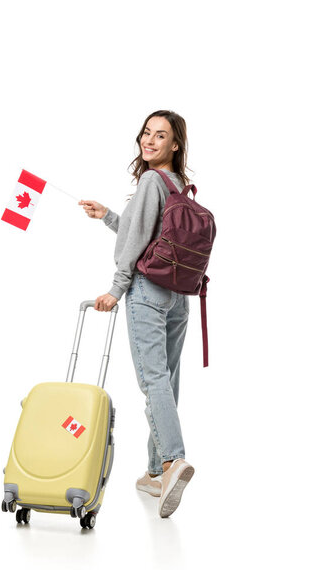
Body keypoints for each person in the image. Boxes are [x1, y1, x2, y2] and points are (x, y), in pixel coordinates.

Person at [78, 110, 195, 518]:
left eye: (160, 136)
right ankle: (153, 471)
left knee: (153, 381)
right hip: (179, 296)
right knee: (167, 381)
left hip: (147, 291)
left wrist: (116, 288)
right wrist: (109, 216)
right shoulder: (179, 185)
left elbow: (134, 247)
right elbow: (145, 233)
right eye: (147, 132)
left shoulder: (150, 179)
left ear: (174, 144)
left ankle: (172, 462)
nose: (149, 140)